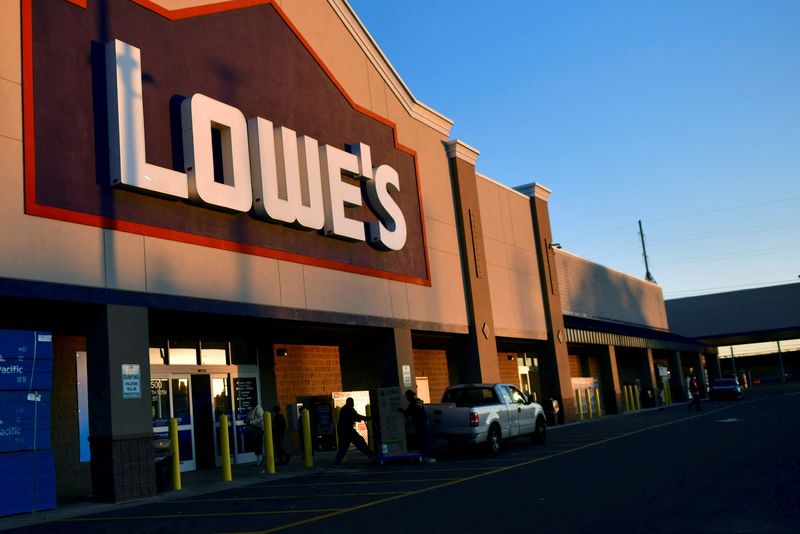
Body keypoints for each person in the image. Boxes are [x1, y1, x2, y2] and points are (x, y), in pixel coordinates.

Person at [333, 397, 375, 466]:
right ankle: (372, 456)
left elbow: (354, 416)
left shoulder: (344, 408)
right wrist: (367, 418)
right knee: (360, 442)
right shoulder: (348, 408)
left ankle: (337, 462)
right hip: (348, 431)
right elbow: (356, 416)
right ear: (351, 402)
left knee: (343, 447)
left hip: (344, 431)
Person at [401, 389, 436, 463]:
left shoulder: (417, 401)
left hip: (423, 424)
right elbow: (407, 413)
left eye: (409, 396)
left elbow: (418, 408)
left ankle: (431, 457)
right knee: (422, 442)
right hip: (419, 426)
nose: (408, 398)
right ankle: (426, 456)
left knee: (427, 441)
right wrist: (401, 411)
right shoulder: (411, 404)